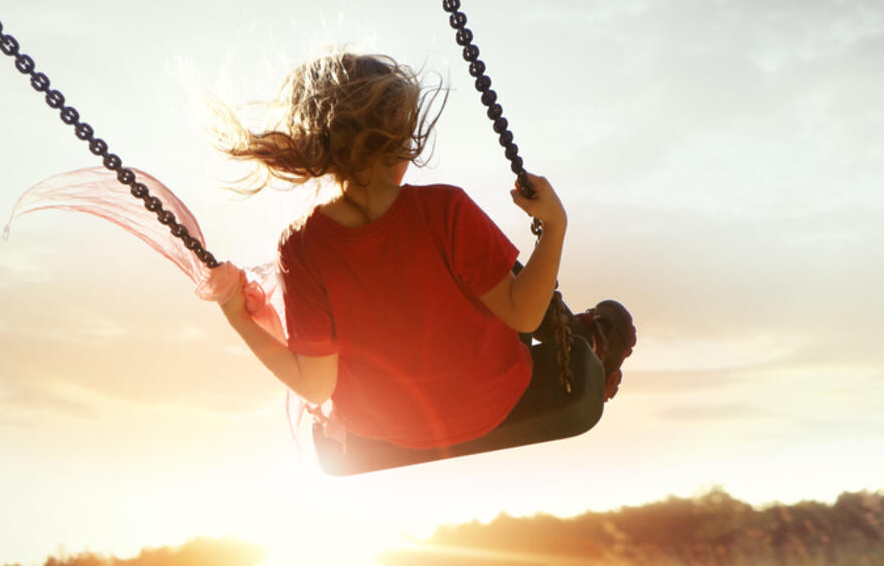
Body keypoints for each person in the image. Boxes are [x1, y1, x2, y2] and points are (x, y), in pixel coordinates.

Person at [207, 51, 633, 453]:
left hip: (380, 426)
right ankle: (586, 341)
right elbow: (523, 312)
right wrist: (554, 227)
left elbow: (315, 387)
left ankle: (580, 336)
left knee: (441, 287)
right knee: (503, 285)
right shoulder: (445, 210)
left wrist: (236, 315)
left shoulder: (300, 245)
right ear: (400, 140)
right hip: (491, 399)